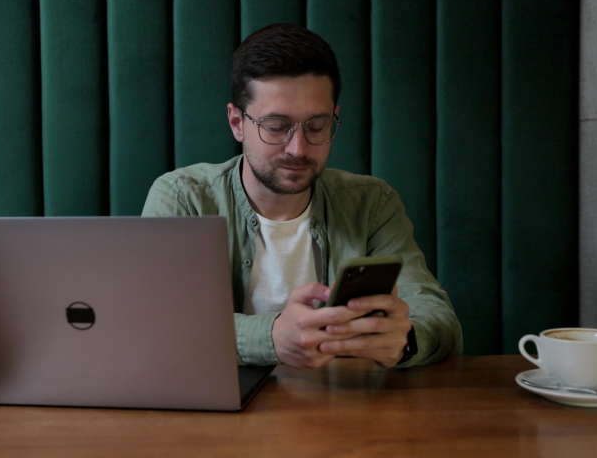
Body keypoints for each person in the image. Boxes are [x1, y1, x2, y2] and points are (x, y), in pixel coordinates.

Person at [142, 23, 462, 369]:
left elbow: (439, 317)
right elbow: (155, 324)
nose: (298, 148)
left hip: (340, 398)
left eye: (316, 126)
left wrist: (405, 341)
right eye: (276, 127)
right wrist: (271, 337)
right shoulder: (183, 197)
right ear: (237, 123)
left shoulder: (372, 203)